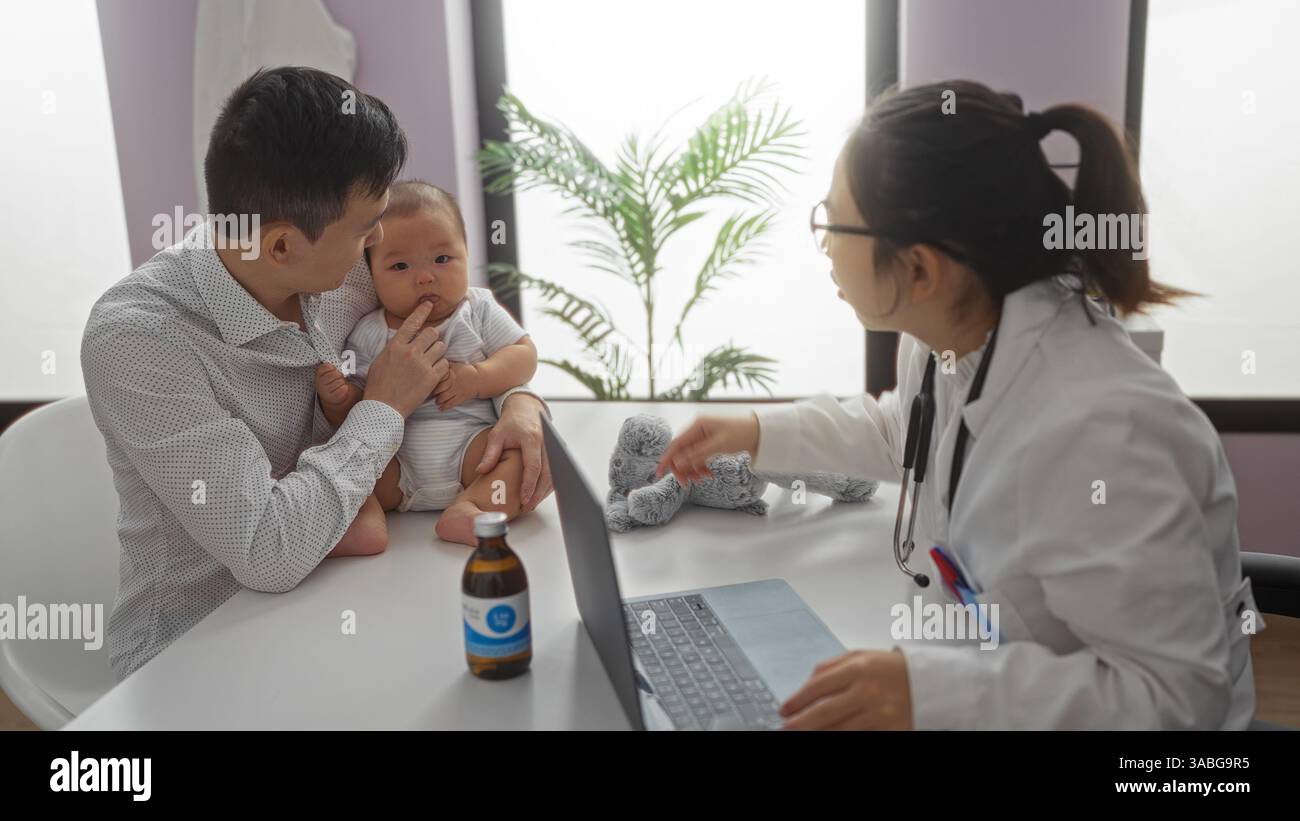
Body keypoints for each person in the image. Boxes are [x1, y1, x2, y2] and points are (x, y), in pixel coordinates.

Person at [656, 80, 1256, 730]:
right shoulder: (955, 336)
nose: (824, 242)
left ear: (919, 271)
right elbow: (904, 436)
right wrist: (756, 430)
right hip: (1000, 660)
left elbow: (1179, 702)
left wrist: (932, 696)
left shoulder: (1099, 430)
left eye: (835, 219)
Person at [81, 67, 554, 680]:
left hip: (342, 601)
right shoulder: (139, 339)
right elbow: (267, 550)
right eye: (366, 229)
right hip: (198, 658)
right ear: (280, 247)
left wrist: (520, 403)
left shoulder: (343, 266)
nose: (379, 241)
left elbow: (471, 319)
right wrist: (382, 408)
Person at [317, 180, 540, 548]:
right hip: (398, 463)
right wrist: (339, 400)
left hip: (473, 454)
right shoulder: (370, 332)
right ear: (372, 275)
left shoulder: (478, 310)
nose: (424, 276)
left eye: (442, 259)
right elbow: (361, 413)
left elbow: (524, 355)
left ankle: (469, 507)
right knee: (346, 468)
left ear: (467, 254)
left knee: (520, 458)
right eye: (400, 265)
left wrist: (477, 378)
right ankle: (367, 522)